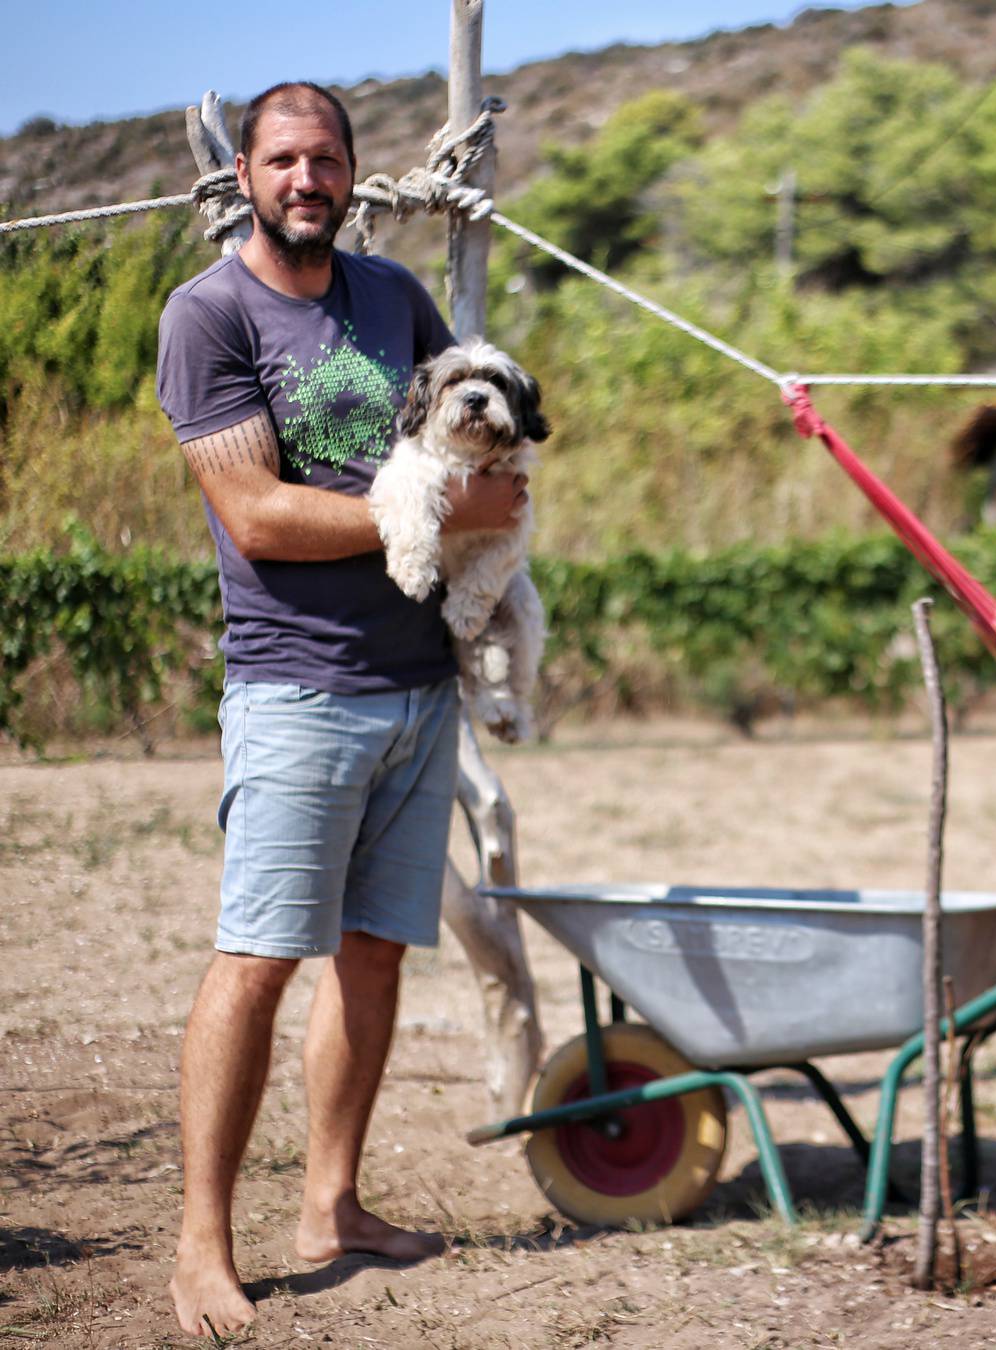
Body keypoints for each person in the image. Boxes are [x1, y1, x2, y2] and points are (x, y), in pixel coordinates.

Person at [155, 82, 526, 1339]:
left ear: (355, 172)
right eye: (282, 160)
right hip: (296, 684)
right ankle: (203, 1245)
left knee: (372, 954)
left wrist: (477, 516)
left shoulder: (393, 297)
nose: (304, 178)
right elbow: (256, 515)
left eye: (325, 159)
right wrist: (439, 517)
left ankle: (331, 1206)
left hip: (420, 683)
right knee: (258, 959)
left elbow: (466, 444)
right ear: (246, 175)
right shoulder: (208, 315)